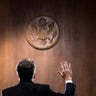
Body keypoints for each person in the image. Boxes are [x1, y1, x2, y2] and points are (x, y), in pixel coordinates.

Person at [2, 58, 76, 96]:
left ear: (18, 74)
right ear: (34, 75)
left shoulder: (7, 93)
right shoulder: (43, 90)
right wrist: (68, 79)